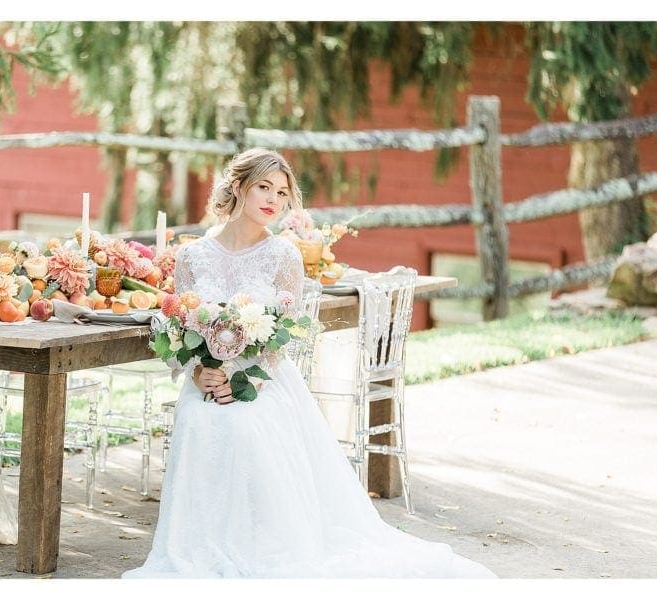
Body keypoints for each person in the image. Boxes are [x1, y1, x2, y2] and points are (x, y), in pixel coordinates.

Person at [122, 148, 495, 578]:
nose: (273, 201)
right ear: (239, 187)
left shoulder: (284, 255)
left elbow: (285, 338)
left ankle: (261, 547)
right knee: (196, 416)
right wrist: (198, 372)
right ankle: (200, 547)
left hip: (263, 379)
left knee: (243, 424)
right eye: (264, 187)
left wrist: (247, 381)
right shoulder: (192, 256)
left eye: (282, 193)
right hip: (206, 381)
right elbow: (182, 323)